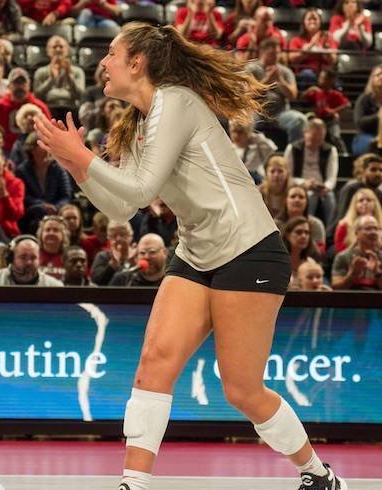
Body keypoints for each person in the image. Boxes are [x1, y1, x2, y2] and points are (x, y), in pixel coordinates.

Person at [35, 22, 346, 490]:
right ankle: (133, 484)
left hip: (249, 251)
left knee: (241, 389)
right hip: (197, 253)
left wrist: (81, 155)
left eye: (112, 53)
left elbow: (139, 189)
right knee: (154, 362)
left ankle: (317, 474)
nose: (102, 62)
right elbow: (123, 206)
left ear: (137, 62)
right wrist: (76, 164)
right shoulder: (141, 123)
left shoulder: (175, 101)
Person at [283, 117, 338, 226]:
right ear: (305, 133)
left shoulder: (330, 150)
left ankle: (329, 232)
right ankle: (305, 225)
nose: (316, 143)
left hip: (322, 187)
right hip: (300, 185)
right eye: (313, 139)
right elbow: (287, 175)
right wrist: (303, 183)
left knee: (330, 198)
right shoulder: (292, 149)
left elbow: (332, 177)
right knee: (310, 196)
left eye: (320, 140)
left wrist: (326, 187)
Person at [0, 235, 64, 286]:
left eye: (33, 258)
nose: (29, 262)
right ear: (11, 258)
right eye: (23, 257)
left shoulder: (54, 287)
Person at [331, 215, 382, 290]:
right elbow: (336, 289)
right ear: (356, 233)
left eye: (376, 229)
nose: (373, 232)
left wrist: (377, 272)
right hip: (350, 300)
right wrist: (352, 274)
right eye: (368, 228)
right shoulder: (343, 257)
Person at [281, 217, 322, 289]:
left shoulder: (311, 262)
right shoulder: (279, 261)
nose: (303, 236)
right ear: (287, 235)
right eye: (298, 232)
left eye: (307, 233)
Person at [36, 215, 70, 281]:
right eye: (47, 230)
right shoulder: (33, 255)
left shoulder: (70, 256)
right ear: (41, 234)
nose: (51, 233)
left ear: (63, 235)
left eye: (56, 230)